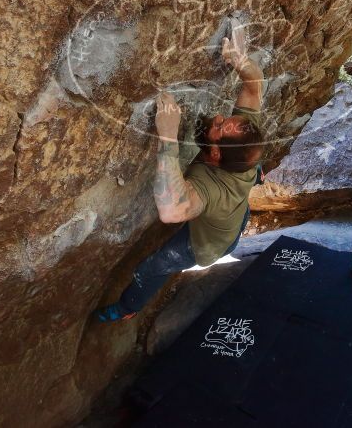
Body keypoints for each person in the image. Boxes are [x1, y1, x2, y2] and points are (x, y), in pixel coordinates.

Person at [93, 24, 265, 322]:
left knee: (151, 267)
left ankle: (126, 308)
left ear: (214, 154)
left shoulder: (213, 190)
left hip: (208, 243)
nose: (222, 117)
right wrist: (240, 60)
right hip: (237, 217)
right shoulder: (241, 147)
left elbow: (172, 211)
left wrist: (168, 136)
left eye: (220, 127)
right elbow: (255, 86)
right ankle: (257, 178)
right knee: (245, 188)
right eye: (228, 120)